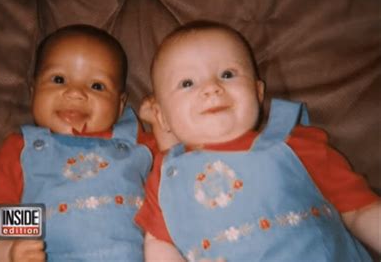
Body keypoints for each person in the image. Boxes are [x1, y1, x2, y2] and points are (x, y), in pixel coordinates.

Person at [135, 20, 380, 262]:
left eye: (227, 74)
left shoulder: (295, 144)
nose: (211, 87)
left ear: (258, 92)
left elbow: (359, 210)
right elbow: (159, 242)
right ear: (162, 116)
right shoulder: (166, 178)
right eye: (187, 83)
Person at [0, 24, 156, 261]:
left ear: (120, 104)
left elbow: (180, 179)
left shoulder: (138, 144)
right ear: (33, 92)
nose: (75, 93)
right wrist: (8, 254)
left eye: (97, 86)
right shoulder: (25, 151)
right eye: (59, 79)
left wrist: (162, 123)